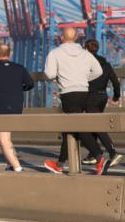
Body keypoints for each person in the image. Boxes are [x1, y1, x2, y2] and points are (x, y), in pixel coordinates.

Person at [43, 27, 108, 175]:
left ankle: (99, 157)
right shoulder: (85, 54)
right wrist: (84, 79)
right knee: (70, 128)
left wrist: (60, 77)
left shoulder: (55, 53)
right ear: (77, 37)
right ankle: (59, 164)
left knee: (76, 127)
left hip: (68, 93)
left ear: (61, 37)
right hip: (84, 92)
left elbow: (50, 73)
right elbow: (98, 71)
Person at [0, 43, 35, 171]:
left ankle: (17, 167)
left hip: (0, 107)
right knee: (5, 138)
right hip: (16, 107)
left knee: (2, 139)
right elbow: (30, 83)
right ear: (10, 54)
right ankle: (12, 162)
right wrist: (21, 89)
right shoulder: (19, 68)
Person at [84, 39, 123, 170]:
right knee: (94, 124)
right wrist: (116, 96)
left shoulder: (86, 63)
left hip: (91, 97)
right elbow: (115, 82)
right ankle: (93, 154)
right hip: (103, 97)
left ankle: (113, 153)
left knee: (97, 126)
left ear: (86, 49)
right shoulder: (106, 64)